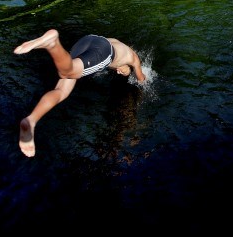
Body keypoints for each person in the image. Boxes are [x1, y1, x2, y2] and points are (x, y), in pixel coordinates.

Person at [14, 29, 146, 157]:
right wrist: (143, 81)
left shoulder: (120, 44)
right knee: (67, 72)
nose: (119, 72)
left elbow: (101, 45)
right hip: (104, 51)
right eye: (124, 71)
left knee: (61, 91)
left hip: (88, 40)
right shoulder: (133, 58)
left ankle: (31, 120)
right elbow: (141, 79)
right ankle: (52, 44)